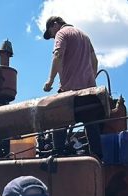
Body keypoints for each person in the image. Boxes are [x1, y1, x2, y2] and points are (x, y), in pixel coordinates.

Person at [42, 16, 102, 158]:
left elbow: (58, 54)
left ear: (55, 24)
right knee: (92, 128)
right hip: (89, 92)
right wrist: (90, 80)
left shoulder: (62, 34)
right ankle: (98, 159)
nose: (52, 37)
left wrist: (50, 80)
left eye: (50, 33)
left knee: (57, 121)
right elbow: (95, 60)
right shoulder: (85, 36)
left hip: (70, 91)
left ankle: (58, 159)